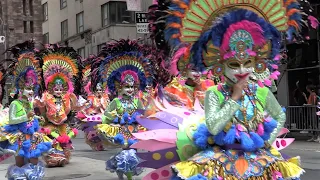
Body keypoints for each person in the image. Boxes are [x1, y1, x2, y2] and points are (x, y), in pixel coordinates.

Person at [129, 0, 318, 179]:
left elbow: (279, 116)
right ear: (221, 65)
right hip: (221, 157)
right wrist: (234, 98)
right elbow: (213, 126)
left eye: (248, 63)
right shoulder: (215, 93)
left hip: (259, 156)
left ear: (257, 64)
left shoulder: (262, 92)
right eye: (234, 64)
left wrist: (269, 139)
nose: (242, 71)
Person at [94, 39, 154, 180]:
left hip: (134, 131)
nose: (130, 89)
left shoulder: (137, 100)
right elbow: (106, 116)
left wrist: (145, 120)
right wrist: (115, 117)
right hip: (122, 131)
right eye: (127, 86)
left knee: (133, 153)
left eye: (132, 87)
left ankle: (123, 171)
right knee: (128, 153)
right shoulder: (116, 101)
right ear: (120, 87)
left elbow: (142, 115)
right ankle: (125, 174)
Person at [0, 41, 51, 179]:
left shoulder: (29, 104)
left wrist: (36, 118)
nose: (30, 91)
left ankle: (33, 176)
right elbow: (12, 120)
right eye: (27, 88)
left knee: (34, 159)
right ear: (20, 89)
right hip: (19, 137)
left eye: (32, 88)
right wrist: (26, 116)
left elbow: (30, 119)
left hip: (32, 136)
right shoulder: (15, 104)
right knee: (20, 163)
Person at [34, 44, 85, 167]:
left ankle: (61, 156)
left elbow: (73, 108)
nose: (58, 90)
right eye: (56, 88)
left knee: (65, 140)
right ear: (51, 87)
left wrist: (81, 107)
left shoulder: (68, 97)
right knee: (52, 141)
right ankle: (53, 158)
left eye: (60, 88)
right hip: (50, 125)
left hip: (62, 125)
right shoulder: (46, 97)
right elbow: (40, 108)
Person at [76, 55, 110, 151]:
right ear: (94, 90)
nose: (99, 92)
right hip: (94, 116)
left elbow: (108, 108)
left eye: (101, 90)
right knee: (93, 128)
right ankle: (97, 143)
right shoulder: (91, 97)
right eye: (97, 90)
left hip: (103, 117)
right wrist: (84, 110)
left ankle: (102, 142)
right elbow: (87, 107)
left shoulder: (105, 97)